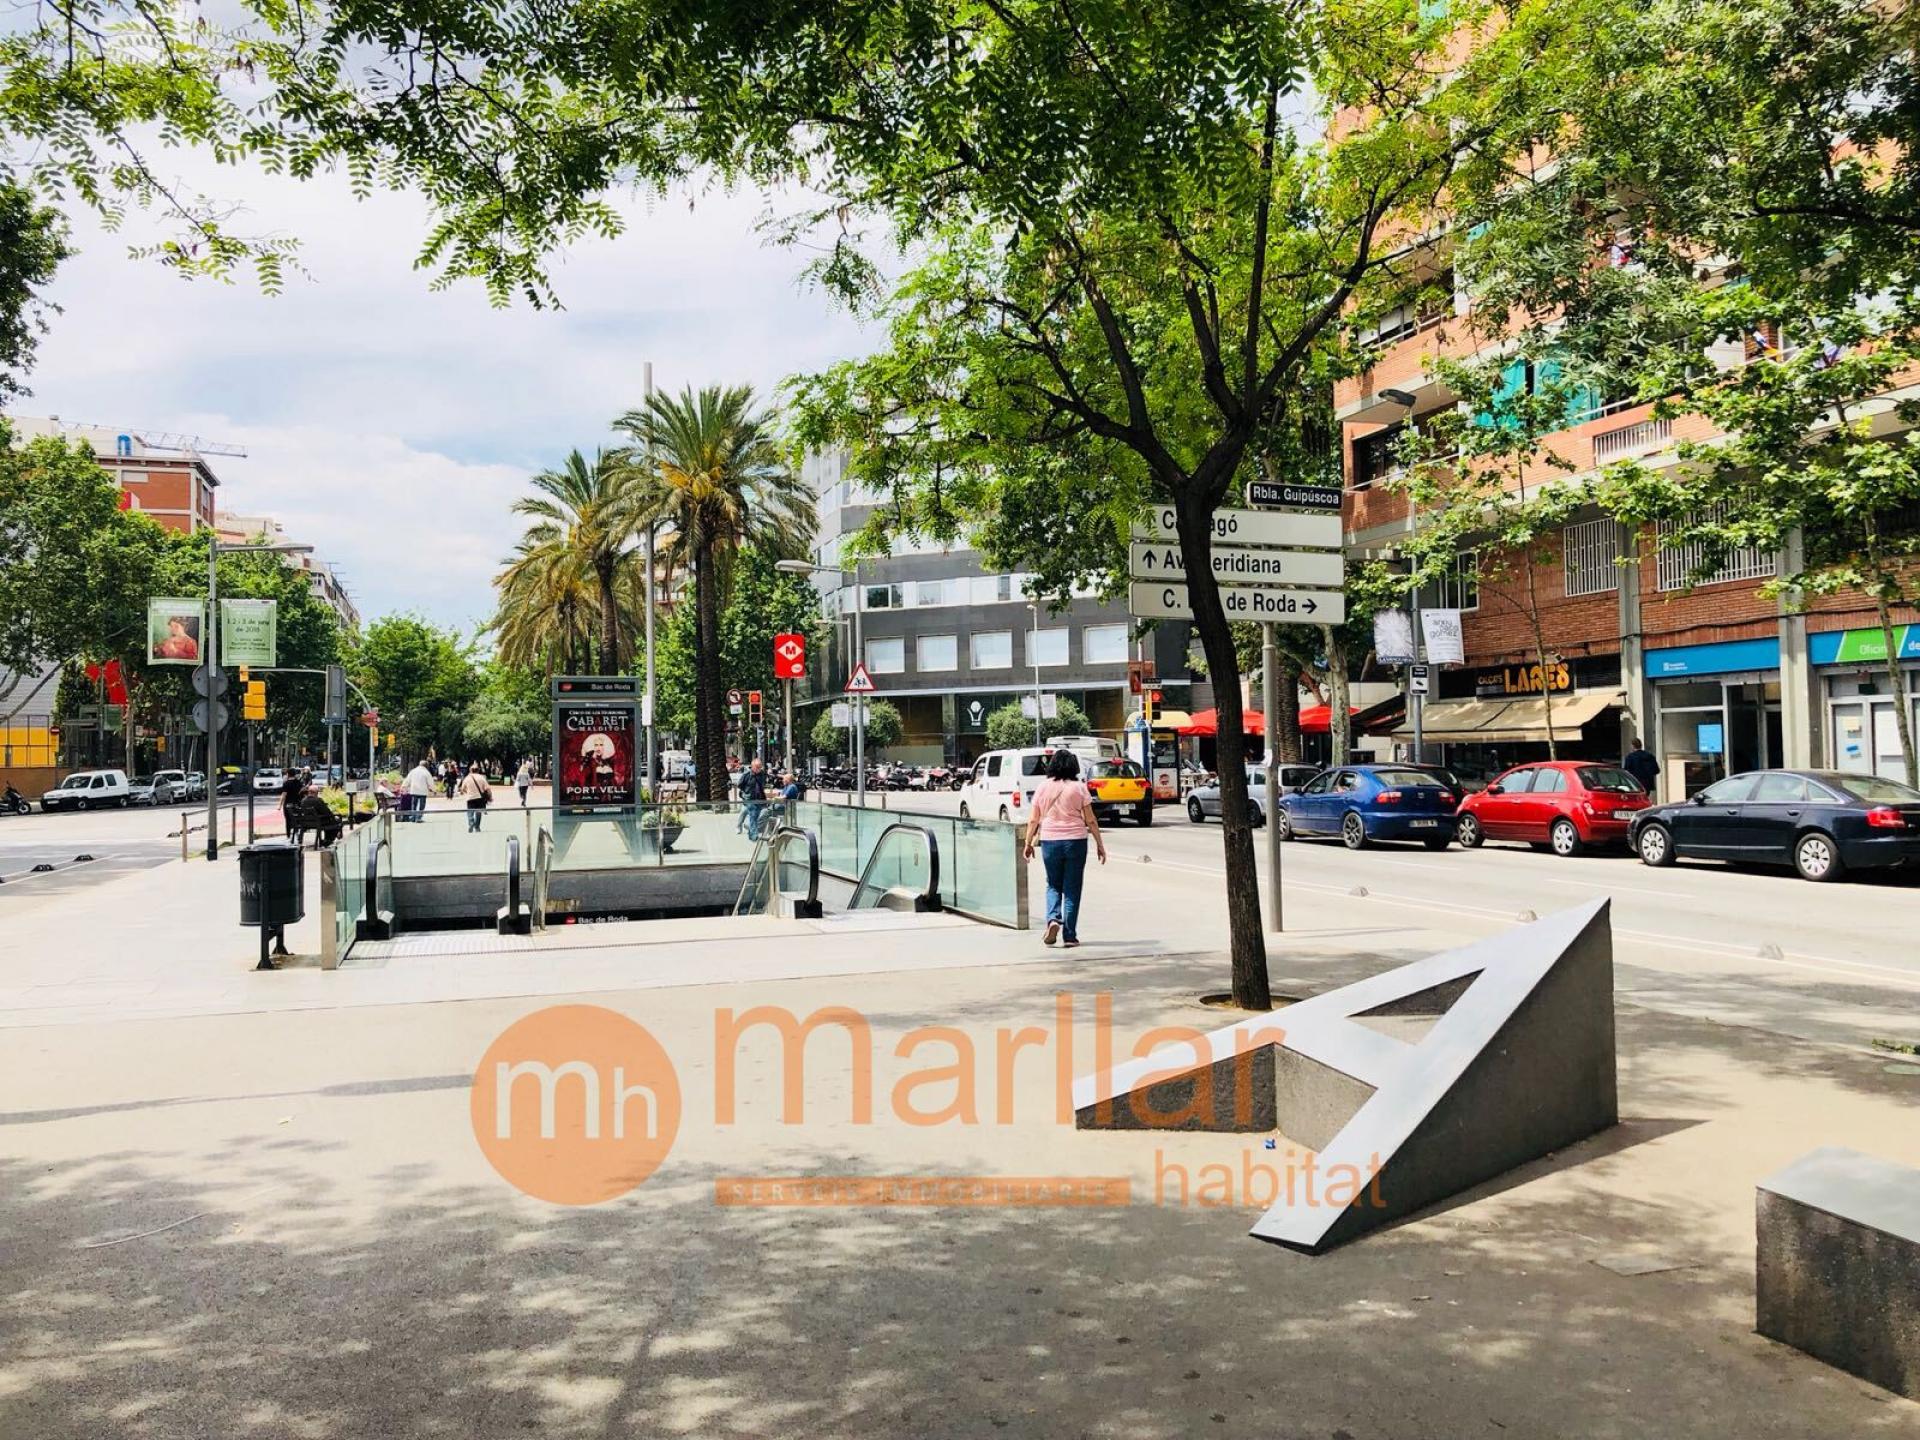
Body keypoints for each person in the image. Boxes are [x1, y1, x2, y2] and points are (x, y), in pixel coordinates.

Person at [1022, 748, 1107, 948]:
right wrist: (1100, 844)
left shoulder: (1043, 787)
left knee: (1053, 884)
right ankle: (1069, 936)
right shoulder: (1079, 788)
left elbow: (1033, 819)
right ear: (1073, 766)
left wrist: (1028, 843)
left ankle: (1053, 919)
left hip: (1050, 841)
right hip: (1075, 841)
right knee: (1072, 888)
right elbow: (1090, 820)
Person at [295, 784, 342, 850]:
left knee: (332, 821)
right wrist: (334, 817)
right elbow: (327, 812)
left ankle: (327, 840)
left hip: (306, 823)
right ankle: (328, 840)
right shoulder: (318, 800)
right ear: (316, 793)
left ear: (309, 792)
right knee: (336, 822)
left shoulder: (303, 801)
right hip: (319, 822)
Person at [736, 756, 769, 836]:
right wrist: (745, 792)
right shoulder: (747, 775)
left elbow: (764, 782)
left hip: (759, 797)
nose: (759, 769)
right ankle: (739, 826)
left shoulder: (762, 774)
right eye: (757, 767)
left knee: (760, 812)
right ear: (752, 766)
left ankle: (753, 829)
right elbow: (740, 785)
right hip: (749, 797)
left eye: (760, 767)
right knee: (744, 811)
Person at [458, 761, 492, 832]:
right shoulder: (482, 778)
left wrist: (466, 792)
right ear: (478, 770)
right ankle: (477, 827)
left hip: (470, 797)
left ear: (470, 770)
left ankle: (471, 824)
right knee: (478, 812)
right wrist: (490, 796)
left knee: (470, 812)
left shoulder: (467, 778)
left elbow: (462, 789)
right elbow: (487, 788)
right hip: (479, 798)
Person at [403, 757, 435, 822]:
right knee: (421, 805)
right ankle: (419, 818)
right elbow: (430, 782)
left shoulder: (413, 771)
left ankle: (413, 817)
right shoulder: (426, 772)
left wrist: (404, 786)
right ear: (426, 766)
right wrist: (434, 790)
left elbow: (407, 779)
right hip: (423, 791)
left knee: (414, 805)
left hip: (414, 790)